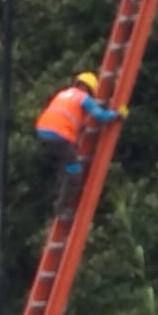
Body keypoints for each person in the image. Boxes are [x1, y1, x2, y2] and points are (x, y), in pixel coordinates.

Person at [34, 71, 126, 219]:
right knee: (75, 172)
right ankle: (61, 207)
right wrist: (117, 115)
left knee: (65, 166)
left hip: (43, 132)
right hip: (59, 135)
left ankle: (61, 195)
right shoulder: (83, 98)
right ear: (89, 89)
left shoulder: (63, 93)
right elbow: (100, 116)